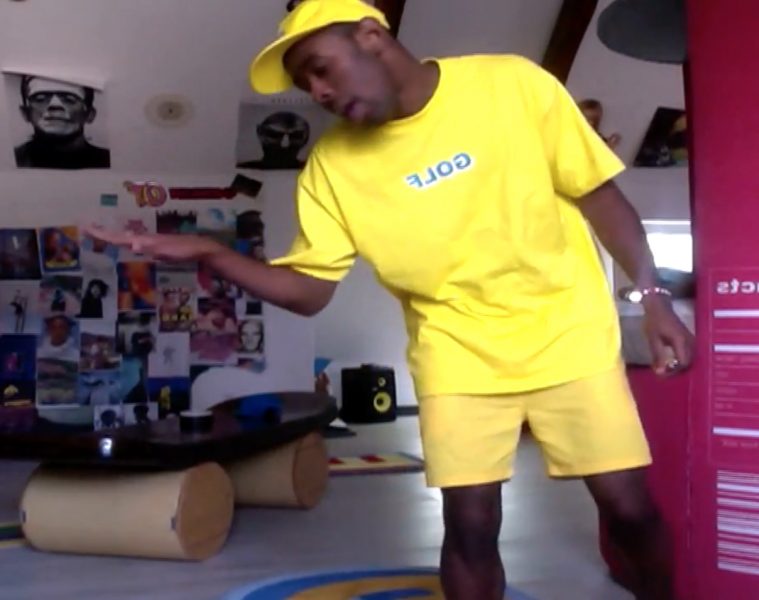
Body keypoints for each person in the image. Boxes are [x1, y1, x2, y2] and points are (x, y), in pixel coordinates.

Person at [84, 1, 695, 598]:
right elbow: (308, 292)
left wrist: (653, 297)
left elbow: (600, 197)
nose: (318, 92)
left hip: (569, 332)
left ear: (371, 36)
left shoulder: (512, 84)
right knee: (470, 525)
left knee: (627, 509)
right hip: (457, 354)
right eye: (305, 85)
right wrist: (209, 253)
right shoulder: (331, 167)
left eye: (320, 68)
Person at [15, 75, 111, 170]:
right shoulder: (13, 160)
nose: (55, 105)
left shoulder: (107, 161)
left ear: (89, 114)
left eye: (69, 99)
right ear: (25, 113)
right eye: (40, 99)